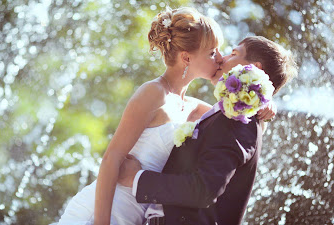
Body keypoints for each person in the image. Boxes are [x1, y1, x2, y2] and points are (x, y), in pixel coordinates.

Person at [56, 7, 275, 225]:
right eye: (211, 52)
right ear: (186, 57)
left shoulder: (197, 109)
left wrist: (264, 100)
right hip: (106, 211)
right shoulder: (153, 93)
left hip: (138, 217)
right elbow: (111, 159)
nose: (220, 58)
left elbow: (233, 120)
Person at [117, 36, 298, 225]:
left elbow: (203, 190)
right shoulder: (223, 114)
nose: (222, 58)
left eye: (233, 53)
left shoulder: (239, 120)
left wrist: (137, 179)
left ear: (254, 69)